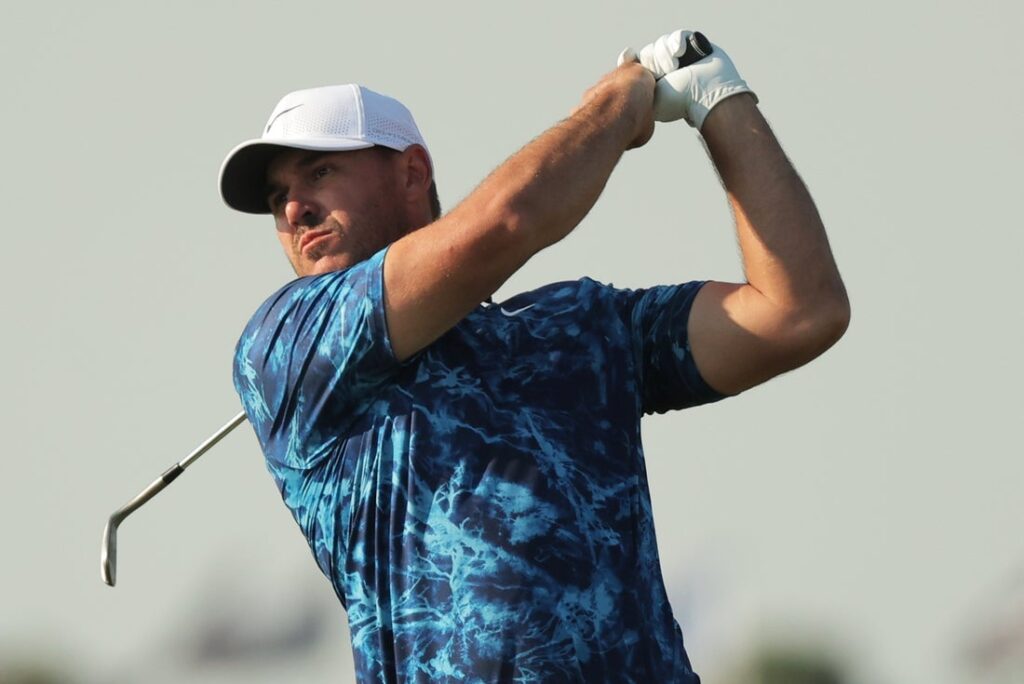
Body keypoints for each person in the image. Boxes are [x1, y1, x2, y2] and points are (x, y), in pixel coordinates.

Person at [220, 29, 849, 684]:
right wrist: (619, 102)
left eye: (320, 172)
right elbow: (505, 222)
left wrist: (720, 100)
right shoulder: (289, 340)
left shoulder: (580, 326)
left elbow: (798, 312)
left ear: (411, 174)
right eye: (276, 197)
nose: (294, 208)